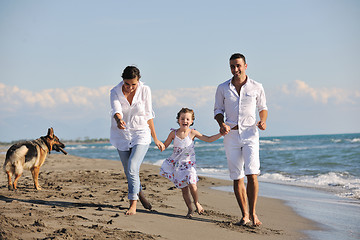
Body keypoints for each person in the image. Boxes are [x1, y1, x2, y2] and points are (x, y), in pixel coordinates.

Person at [214, 53, 268, 226]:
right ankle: (244, 215)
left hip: (251, 134)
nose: (235, 69)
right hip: (230, 135)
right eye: (232, 66)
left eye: (238, 65)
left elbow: (263, 108)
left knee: (252, 174)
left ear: (245, 66)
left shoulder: (256, 86)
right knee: (237, 177)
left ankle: (253, 214)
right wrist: (221, 124)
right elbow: (217, 110)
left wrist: (263, 121)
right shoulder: (223, 88)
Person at [110, 66, 165, 215]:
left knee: (133, 166)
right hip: (121, 135)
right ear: (123, 81)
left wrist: (155, 138)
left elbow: (148, 114)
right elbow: (116, 110)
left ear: (138, 81)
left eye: (133, 84)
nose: (130, 87)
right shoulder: (115, 91)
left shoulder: (145, 90)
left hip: (141, 133)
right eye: (127, 84)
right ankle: (140, 194)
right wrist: (119, 120)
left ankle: (132, 204)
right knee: (129, 172)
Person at [160, 108, 222, 218]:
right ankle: (190, 210)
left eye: (187, 119)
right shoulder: (173, 133)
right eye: (182, 118)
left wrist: (220, 134)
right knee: (184, 190)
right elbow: (165, 145)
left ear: (192, 121)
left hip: (190, 165)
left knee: (193, 185)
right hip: (178, 166)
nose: (185, 121)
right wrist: (159, 144)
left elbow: (208, 139)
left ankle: (197, 202)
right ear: (178, 120)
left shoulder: (192, 132)